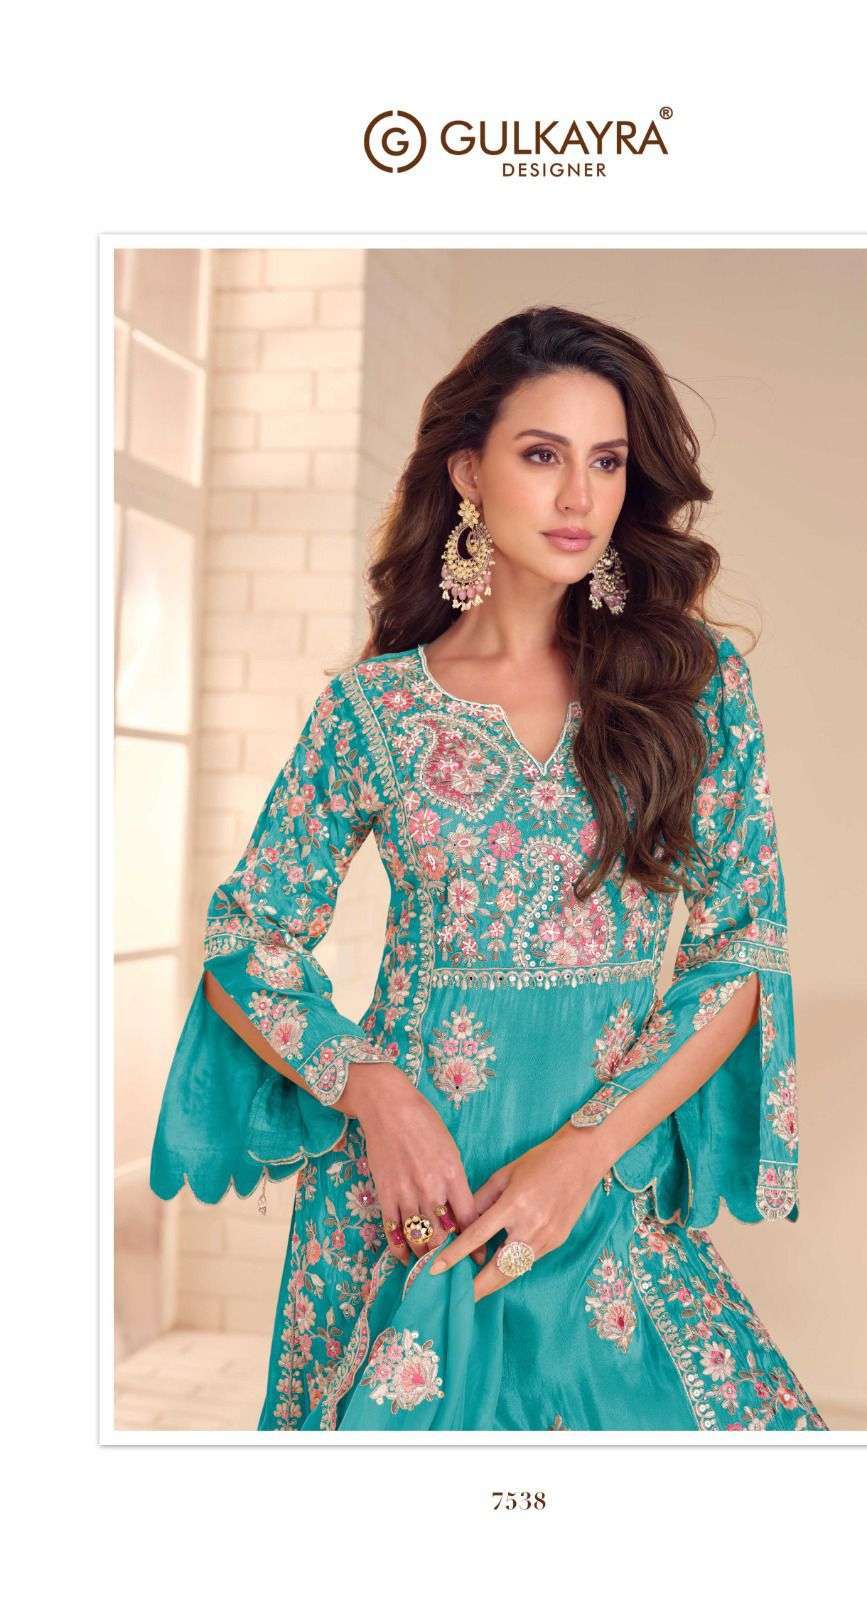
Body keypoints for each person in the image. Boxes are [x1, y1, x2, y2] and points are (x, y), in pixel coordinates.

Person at [149, 304, 827, 1432]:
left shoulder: (692, 684)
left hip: (604, 1191)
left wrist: (584, 1155)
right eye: (543, 455)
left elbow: (738, 954)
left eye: (607, 462)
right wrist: (374, 1092)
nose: (580, 498)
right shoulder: (373, 711)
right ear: (469, 470)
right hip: (407, 1208)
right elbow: (247, 935)